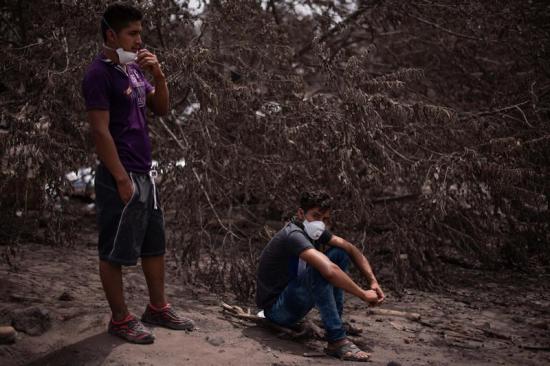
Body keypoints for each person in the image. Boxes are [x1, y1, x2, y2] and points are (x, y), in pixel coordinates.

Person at [82, 3, 193, 344]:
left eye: (140, 33)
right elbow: (100, 132)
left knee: (153, 244)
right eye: (132, 33)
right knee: (113, 249)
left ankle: (157, 307)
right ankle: (120, 319)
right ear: (111, 34)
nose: (138, 40)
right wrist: (119, 178)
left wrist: (158, 75)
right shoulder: (98, 74)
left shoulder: (134, 70)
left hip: (145, 172)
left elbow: (160, 109)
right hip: (121, 173)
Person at [256, 191, 385, 362]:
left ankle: (335, 324)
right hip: (275, 310)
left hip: (292, 299)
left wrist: (373, 281)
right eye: (315, 216)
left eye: (325, 219)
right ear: (301, 213)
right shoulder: (293, 234)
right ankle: (337, 340)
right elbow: (329, 271)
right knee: (321, 268)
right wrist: (362, 294)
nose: (320, 223)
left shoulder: (314, 231)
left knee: (340, 253)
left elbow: (350, 248)